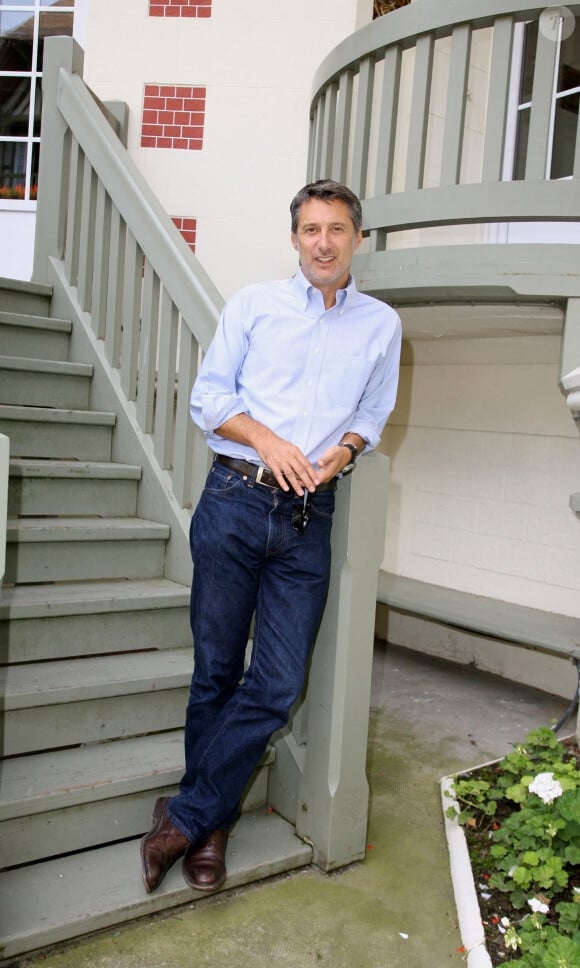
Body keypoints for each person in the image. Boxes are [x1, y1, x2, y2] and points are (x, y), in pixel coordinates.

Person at [140, 178, 402, 895]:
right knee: (217, 672)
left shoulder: (381, 325)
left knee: (279, 680)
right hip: (235, 497)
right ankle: (212, 828)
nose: (324, 242)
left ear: (357, 239)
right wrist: (268, 438)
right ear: (294, 238)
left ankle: (184, 816)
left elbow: (375, 411)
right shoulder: (253, 305)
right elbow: (209, 398)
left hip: (308, 519)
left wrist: (344, 450)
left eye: (337, 229)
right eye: (311, 229)